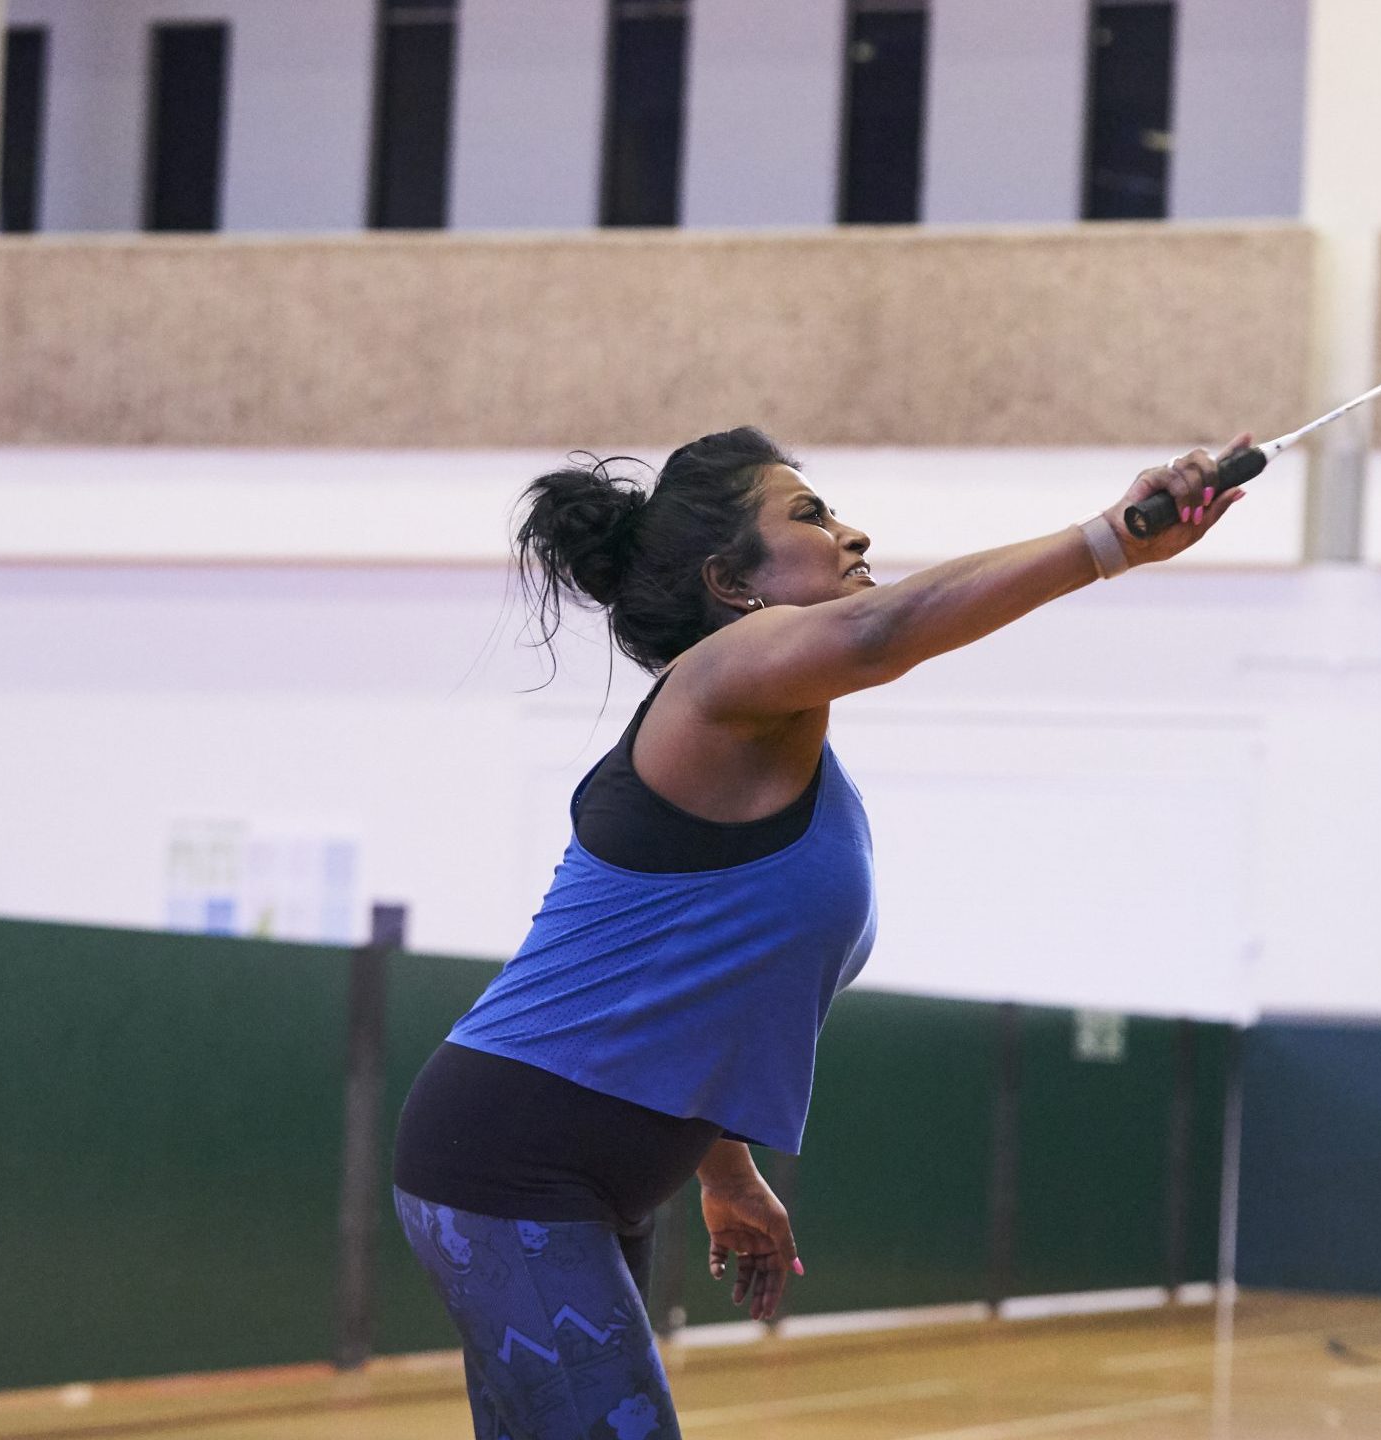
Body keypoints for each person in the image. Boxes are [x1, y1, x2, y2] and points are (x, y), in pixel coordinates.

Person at [391, 426, 1248, 1440]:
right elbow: (887, 630)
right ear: (731, 581)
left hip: (572, 1178)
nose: (853, 534)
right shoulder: (716, 683)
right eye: (811, 516)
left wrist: (727, 1171)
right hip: (506, 1165)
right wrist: (1109, 541)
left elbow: (691, 992)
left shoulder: (776, 745)